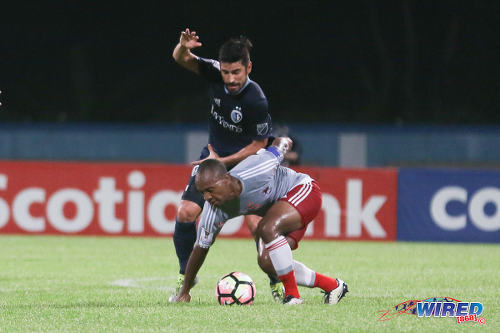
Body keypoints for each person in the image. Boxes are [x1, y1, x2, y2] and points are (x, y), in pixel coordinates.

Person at [171, 28, 282, 299]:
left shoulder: (256, 100)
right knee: (185, 213)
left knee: (257, 225)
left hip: (246, 164)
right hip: (214, 159)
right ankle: (186, 276)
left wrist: (222, 161)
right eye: (226, 72)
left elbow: (258, 145)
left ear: (248, 67)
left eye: (237, 73)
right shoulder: (213, 71)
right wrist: (182, 47)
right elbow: (181, 59)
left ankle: (275, 280)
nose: (231, 79)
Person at [170, 137, 349, 305]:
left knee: (267, 228)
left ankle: (292, 297)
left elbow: (280, 144)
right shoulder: (213, 211)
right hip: (280, 212)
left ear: (225, 179)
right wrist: (185, 291)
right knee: (268, 261)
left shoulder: (257, 168)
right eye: (203, 193)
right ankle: (333, 286)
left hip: (303, 191)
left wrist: (284, 141)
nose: (207, 197)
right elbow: (200, 249)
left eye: (210, 189)